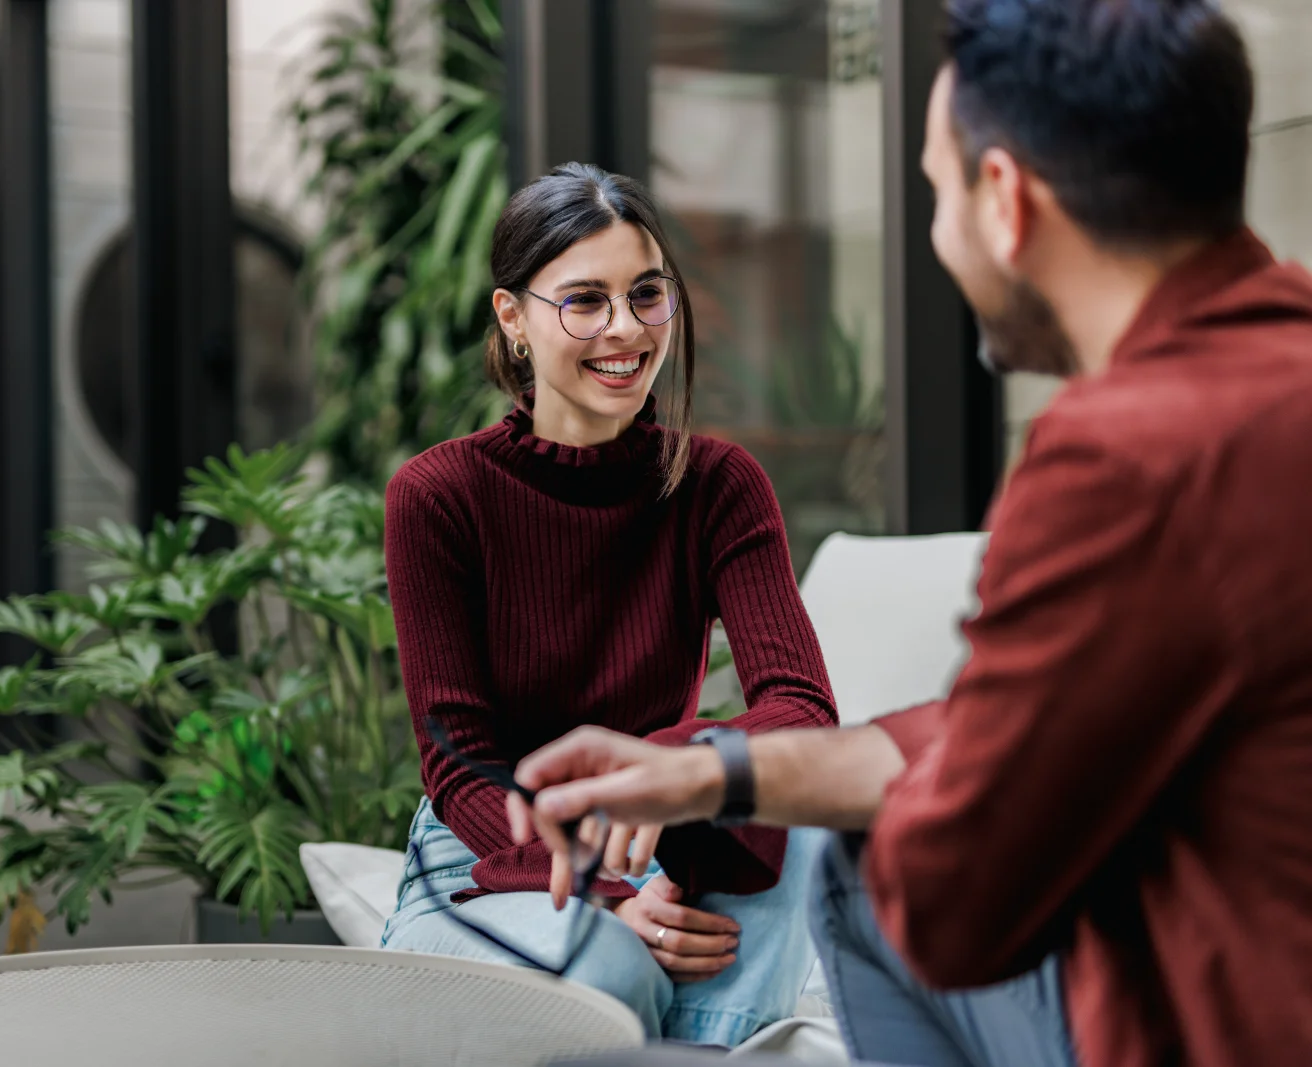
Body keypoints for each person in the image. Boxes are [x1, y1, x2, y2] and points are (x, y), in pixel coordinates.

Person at [504, 3, 1312, 1066]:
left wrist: (942, 798)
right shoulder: (1278, 371)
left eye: (936, 193)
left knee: (852, 880)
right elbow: (997, 730)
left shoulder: (1126, 453)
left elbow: (952, 907)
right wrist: (713, 769)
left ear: (1004, 199)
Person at [380, 162, 838, 1047]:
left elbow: (803, 709)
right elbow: (460, 766)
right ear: (514, 318)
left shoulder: (718, 485)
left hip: (659, 826)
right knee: (610, 969)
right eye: (585, 301)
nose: (625, 329)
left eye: (646, 294)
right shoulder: (438, 496)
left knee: (808, 821)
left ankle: (699, 1049)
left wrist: (662, 773)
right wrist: (606, 890)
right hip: (489, 850)